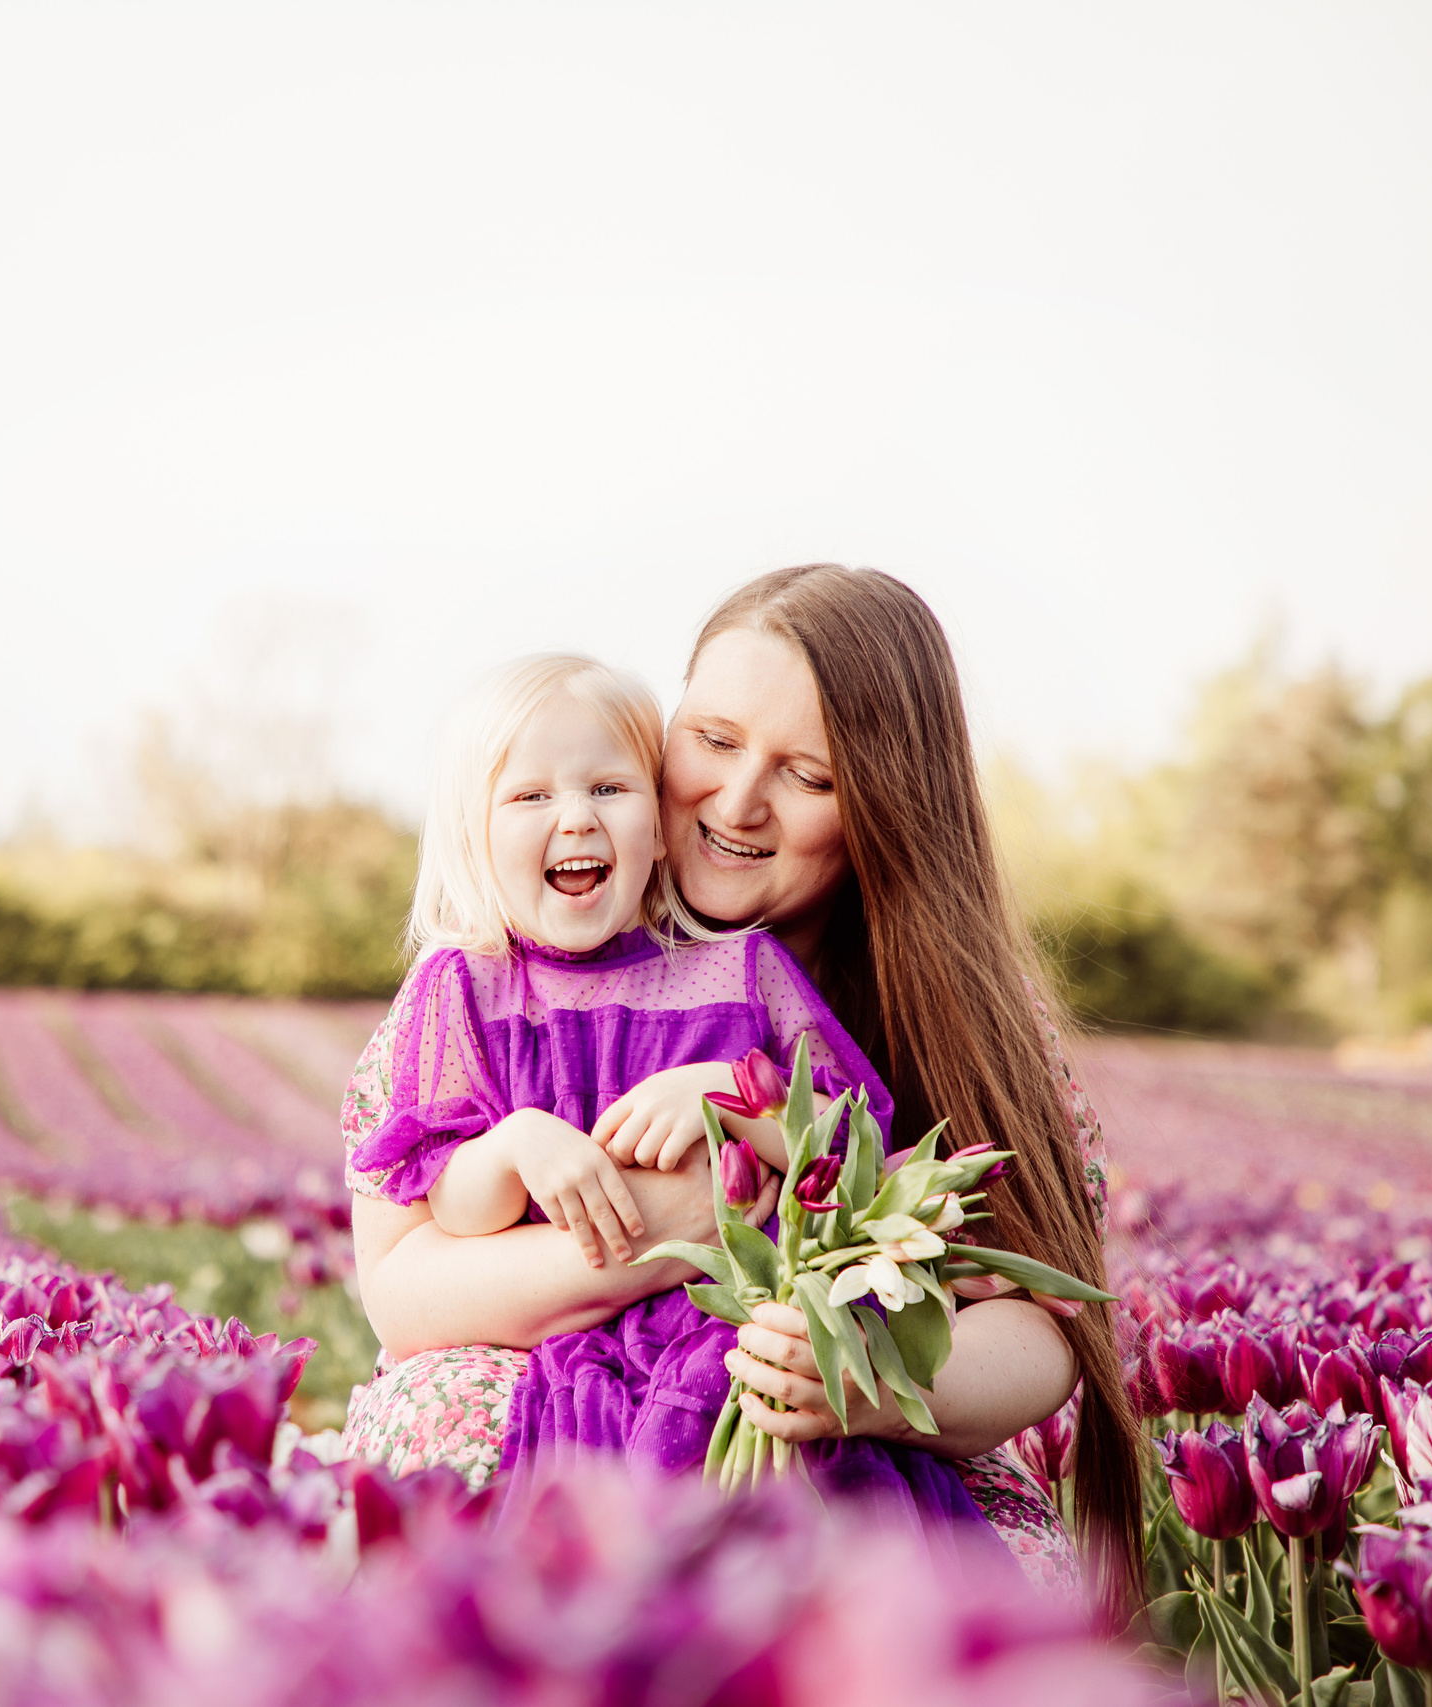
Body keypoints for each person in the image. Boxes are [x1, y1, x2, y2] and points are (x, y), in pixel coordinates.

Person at [343, 565, 1139, 1621]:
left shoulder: (959, 1015)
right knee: (443, 1492)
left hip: (841, 1419)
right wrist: (680, 1227)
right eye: (711, 740)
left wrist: (856, 1382)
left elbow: (1043, 1333)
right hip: (548, 1391)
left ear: (886, 804)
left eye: (806, 775)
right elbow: (402, 1288)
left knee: (943, 1599)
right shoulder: (498, 968)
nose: (733, 801)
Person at [345, 651, 995, 1534]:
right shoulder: (465, 988)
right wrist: (515, 1144)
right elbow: (445, 1201)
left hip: (733, 1336)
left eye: (609, 788)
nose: (575, 816)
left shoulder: (740, 973)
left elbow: (853, 1144)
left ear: (658, 827)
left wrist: (730, 1094)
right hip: (566, 1345)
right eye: (531, 796)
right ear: (473, 834)